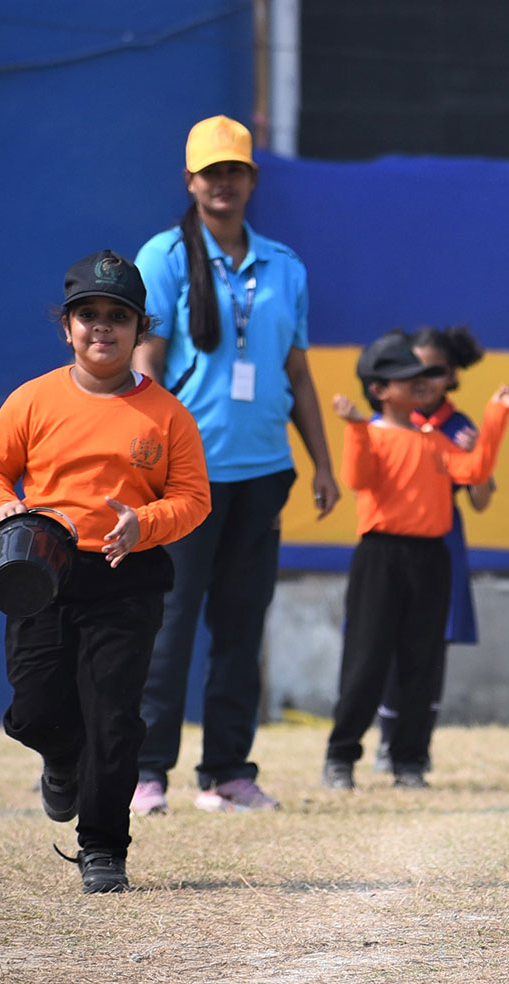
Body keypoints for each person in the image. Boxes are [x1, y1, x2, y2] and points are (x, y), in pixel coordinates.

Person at [0, 251, 211, 891]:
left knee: (113, 718)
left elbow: (193, 498)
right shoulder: (33, 399)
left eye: (118, 316)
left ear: (140, 329)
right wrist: (4, 508)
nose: (102, 327)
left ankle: (103, 847)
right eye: (88, 315)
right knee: (34, 709)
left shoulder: (167, 414)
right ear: (67, 328)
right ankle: (60, 760)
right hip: (40, 573)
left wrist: (144, 525)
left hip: (127, 576)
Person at [131, 115, 340, 815]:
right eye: (211, 172)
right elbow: (147, 362)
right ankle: (147, 772)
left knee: (242, 627)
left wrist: (321, 463)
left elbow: (297, 372)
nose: (224, 183)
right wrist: (145, 457)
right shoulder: (163, 256)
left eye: (235, 171)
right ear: (190, 182)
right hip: (187, 477)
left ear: (252, 179)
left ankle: (226, 772)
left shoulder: (285, 265)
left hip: (264, 473)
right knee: (169, 625)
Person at [321, 334, 509, 789]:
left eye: (424, 374)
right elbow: (357, 477)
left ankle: (410, 759)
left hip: (431, 557)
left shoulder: (435, 441)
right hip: (381, 555)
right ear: (380, 390)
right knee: (366, 659)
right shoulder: (371, 433)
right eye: (408, 378)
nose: (421, 382)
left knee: (422, 659)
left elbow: (475, 470)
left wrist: (497, 415)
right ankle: (341, 756)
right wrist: (354, 427)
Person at [372, 325, 494, 775]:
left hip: (441, 543)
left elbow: (480, 499)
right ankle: (386, 741)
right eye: (414, 370)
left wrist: (480, 460)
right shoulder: (389, 420)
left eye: (435, 371)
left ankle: (416, 746)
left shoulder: (459, 427)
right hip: (392, 543)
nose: (423, 380)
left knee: (430, 647)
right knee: (385, 641)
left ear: (453, 375)